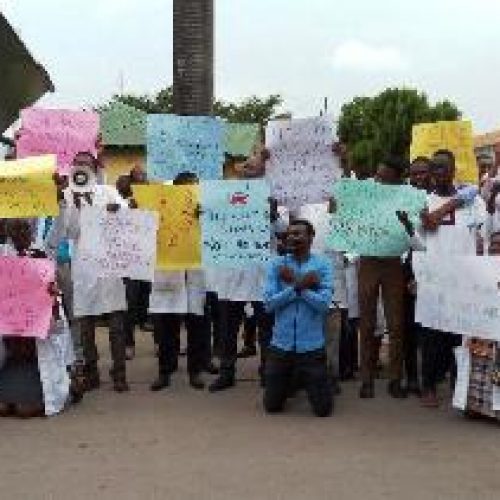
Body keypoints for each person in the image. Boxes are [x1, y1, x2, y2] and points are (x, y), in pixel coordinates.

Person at [47, 151, 130, 393]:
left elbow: (128, 215)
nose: (81, 168)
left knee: (116, 325)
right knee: (86, 326)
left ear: (94, 168)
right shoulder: (68, 196)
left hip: (109, 265)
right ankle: (92, 372)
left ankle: (119, 373)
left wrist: (118, 211)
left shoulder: (108, 192)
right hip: (84, 265)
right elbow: (63, 233)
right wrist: (62, 201)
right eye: (77, 165)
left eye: (86, 164)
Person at [0, 219, 74, 418]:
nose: (20, 234)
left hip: (36, 348)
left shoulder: (41, 259)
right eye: (15, 230)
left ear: (32, 234)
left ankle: (70, 390)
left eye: (24, 230)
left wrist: (50, 298)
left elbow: (57, 323)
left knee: (26, 411)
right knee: (4, 408)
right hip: (10, 346)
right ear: (8, 233)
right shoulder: (3, 257)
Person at [263, 219, 334, 417]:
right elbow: (268, 305)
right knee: (272, 406)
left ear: (311, 237)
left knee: (323, 410)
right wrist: (299, 285)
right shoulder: (276, 265)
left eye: (298, 234)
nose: (292, 238)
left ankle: (310, 381)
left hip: (311, 348)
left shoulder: (323, 265)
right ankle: (294, 381)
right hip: (280, 346)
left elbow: (323, 305)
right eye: (289, 234)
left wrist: (294, 284)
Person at [148, 172, 211, 391]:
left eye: (194, 188)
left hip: (195, 274)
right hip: (168, 274)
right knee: (167, 328)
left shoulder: (204, 210)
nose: (191, 192)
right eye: (186, 188)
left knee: (197, 326)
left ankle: (195, 371)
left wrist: (204, 217)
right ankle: (165, 371)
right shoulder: (161, 210)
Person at [356, 157, 411, 399]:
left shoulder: (406, 198)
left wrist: (406, 222)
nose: (378, 180)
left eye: (384, 177)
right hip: (368, 260)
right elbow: (348, 222)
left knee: (396, 324)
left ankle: (395, 378)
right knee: (367, 324)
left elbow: (414, 234)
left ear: (397, 180)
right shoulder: (364, 197)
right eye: (377, 175)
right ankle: (366, 379)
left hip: (392, 262)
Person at [116, 166, 152, 360]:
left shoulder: (151, 199)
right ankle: (129, 343)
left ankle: (156, 341)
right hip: (128, 261)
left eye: (144, 176)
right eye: (138, 176)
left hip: (149, 258)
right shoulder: (121, 204)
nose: (142, 179)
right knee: (129, 302)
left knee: (151, 301)